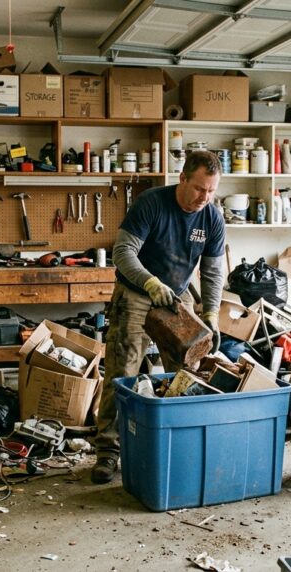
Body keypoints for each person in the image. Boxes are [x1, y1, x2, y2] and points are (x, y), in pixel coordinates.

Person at [91, 150, 226, 484]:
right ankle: (108, 451)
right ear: (182, 179)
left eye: (211, 191)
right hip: (138, 291)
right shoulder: (151, 203)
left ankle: (176, 445)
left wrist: (210, 313)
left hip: (175, 297)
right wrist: (150, 283)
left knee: (184, 370)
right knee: (124, 370)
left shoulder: (211, 217)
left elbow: (212, 271)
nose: (204, 198)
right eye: (198, 189)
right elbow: (122, 253)